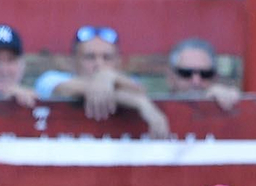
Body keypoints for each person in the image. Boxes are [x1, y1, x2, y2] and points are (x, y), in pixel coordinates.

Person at [34, 26, 169, 136]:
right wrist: (140, 102)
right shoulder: (49, 79)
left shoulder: (129, 82)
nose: (99, 64)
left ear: (118, 62)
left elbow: (139, 89)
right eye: (90, 57)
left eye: (107, 57)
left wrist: (110, 77)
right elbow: (66, 89)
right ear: (73, 61)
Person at [166, 38, 241, 112]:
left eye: (205, 74)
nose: (196, 82)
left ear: (215, 78)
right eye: (186, 73)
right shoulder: (156, 112)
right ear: (171, 78)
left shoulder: (221, 104)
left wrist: (232, 109)